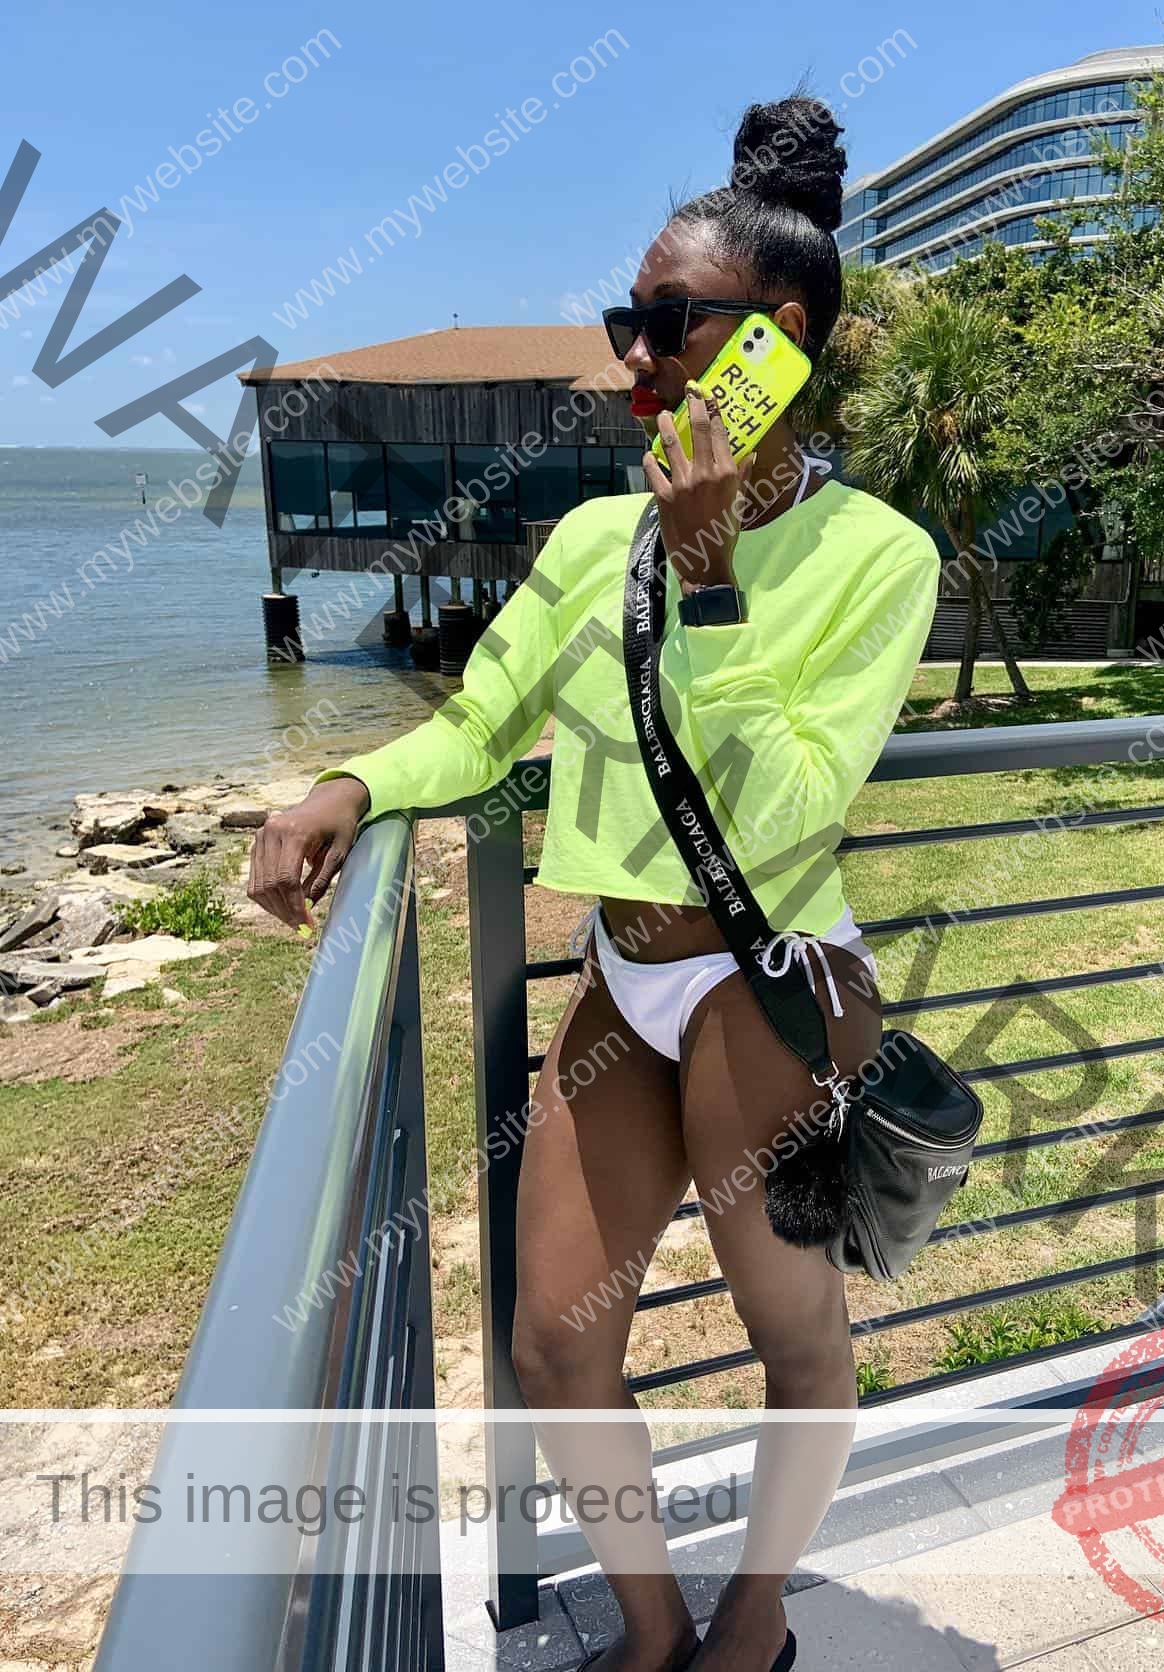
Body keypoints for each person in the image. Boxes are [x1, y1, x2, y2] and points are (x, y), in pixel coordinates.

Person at [249, 89, 939, 1672]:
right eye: (626, 322)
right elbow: (482, 726)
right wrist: (352, 783)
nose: (634, 359)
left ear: (776, 338)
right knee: (556, 1342)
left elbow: (795, 805)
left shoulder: (881, 557)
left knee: (792, 1331)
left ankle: (755, 1616)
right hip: (625, 969)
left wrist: (715, 588)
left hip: (771, 976)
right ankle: (649, 1626)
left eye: (666, 324)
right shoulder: (587, 545)